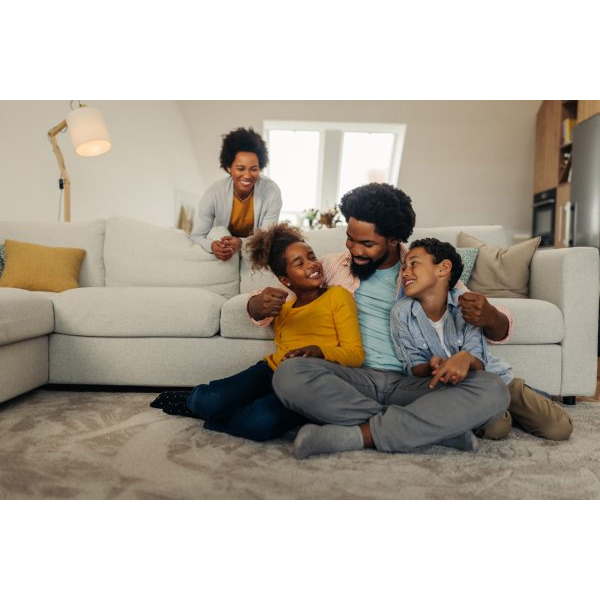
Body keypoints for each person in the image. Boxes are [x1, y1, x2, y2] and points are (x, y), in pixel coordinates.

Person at [248, 183, 512, 459]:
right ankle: (435, 428)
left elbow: (498, 328)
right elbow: (284, 293)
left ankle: (359, 434)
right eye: (350, 238)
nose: (354, 249)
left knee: (492, 389)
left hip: (413, 384)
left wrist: (491, 315)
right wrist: (257, 304)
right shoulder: (333, 266)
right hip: (351, 380)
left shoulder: (420, 269)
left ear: (394, 239)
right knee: (289, 373)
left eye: (367, 244)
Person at [152, 223, 364, 442]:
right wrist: (256, 303)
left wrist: (320, 351)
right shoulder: (282, 305)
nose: (311, 265)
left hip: (308, 384)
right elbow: (256, 306)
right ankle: (195, 402)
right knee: (207, 400)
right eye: (299, 263)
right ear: (285, 280)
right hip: (271, 370)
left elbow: (356, 354)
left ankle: (214, 417)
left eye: (311, 257)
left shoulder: (337, 296)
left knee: (258, 424)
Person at [391, 237, 573, 441]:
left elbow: (477, 356)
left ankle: (518, 402)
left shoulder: (467, 305)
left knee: (560, 428)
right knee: (496, 428)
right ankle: (502, 412)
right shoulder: (402, 313)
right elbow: (412, 364)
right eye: (403, 266)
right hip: (455, 392)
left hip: (493, 378)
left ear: (443, 268)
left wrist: (465, 359)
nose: (405, 271)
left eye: (414, 263)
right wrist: (432, 366)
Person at [190, 127, 282, 261]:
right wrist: (211, 246)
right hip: (223, 247)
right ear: (228, 167)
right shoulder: (214, 193)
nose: (247, 175)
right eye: (240, 168)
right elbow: (196, 236)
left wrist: (241, 244)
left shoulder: (271, 192)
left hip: (254, 252)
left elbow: (267, 239)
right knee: (218, 233)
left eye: (254, 169)